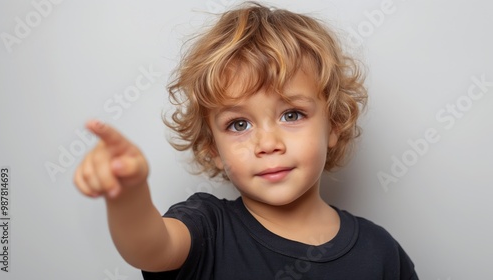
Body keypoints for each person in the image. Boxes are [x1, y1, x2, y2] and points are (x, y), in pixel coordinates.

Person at [73, 2, 418, 279]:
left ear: (335, 126)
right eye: (239, 124)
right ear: (213, 148)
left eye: (292, 115)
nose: (267, 143)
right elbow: (149, 248)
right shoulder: (206, 228)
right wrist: (129, 195)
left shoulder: (381, 252)